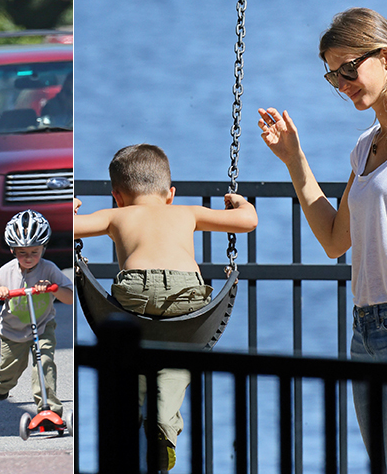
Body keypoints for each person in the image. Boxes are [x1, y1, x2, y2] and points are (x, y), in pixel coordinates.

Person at [258, 7, 387, 474]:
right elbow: (335, 240)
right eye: (333, 75)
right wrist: (293, 159)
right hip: (366, 330)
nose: (342, 82)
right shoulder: (365, 146)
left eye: (349, 68)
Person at [73, 143, 258, 471]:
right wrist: (240, 202)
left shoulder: (117, 214)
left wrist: (72, 209)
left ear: (117, 195)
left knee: (133, 356)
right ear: (170, 193)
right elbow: (247, 221)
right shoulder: (185, 212)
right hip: (186, 291)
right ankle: (162, 425)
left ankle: (135, 419)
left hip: (136, 292)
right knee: (178, 358)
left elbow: (71, 226)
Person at [0, 210, 74, 418]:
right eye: (23, 253)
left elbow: (69, 297)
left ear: (43, 248)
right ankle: (0, 384)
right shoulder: (6, 271)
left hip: (42, 326)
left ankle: (48, 409)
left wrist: (53, 288)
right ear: (13, 251)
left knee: (44, 362)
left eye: (35, 252)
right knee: (11, 368)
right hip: (12, 330)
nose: (29, 258)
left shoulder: (49, 269)